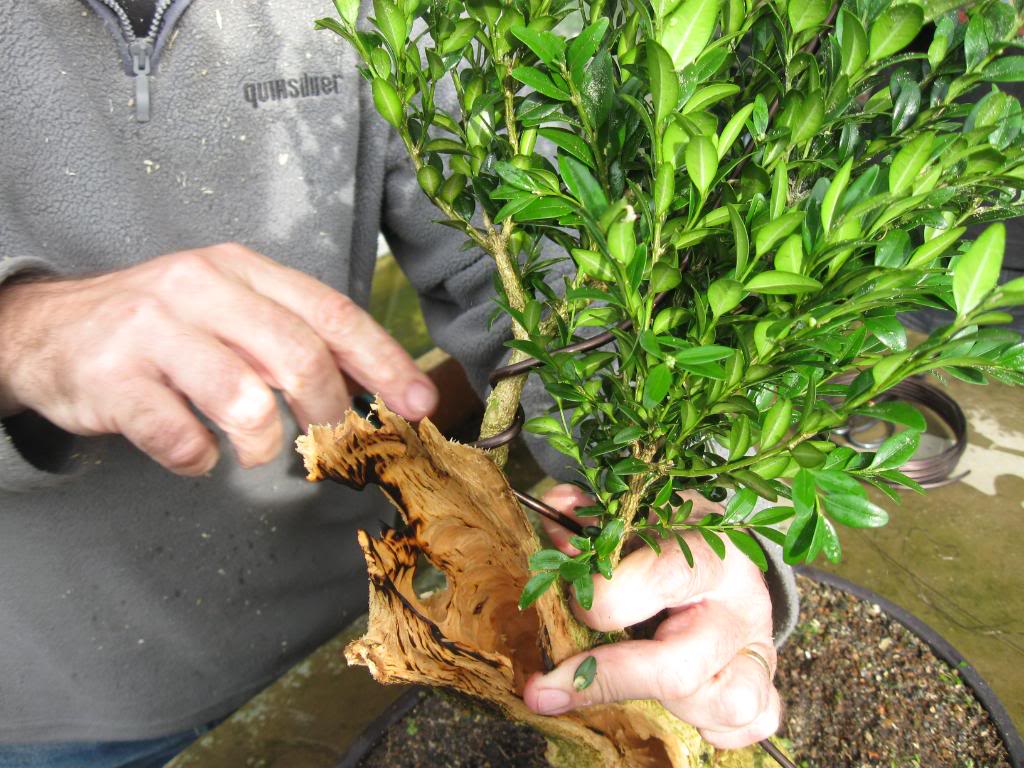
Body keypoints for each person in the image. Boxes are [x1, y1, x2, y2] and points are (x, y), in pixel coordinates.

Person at [0, 2, 796, 765]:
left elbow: (539, 266)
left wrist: (694, 512)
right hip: (48, 695)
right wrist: (19, 333)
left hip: (364, 635)